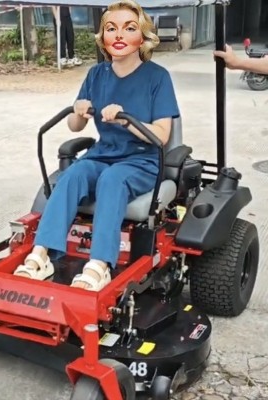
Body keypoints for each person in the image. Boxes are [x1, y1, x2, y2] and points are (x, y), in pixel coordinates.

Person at [14, 0, 180, 291]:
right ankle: (40, 255)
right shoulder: (96, 74)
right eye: (111, 29)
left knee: (112, 180)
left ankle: (100, 264)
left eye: (129, 28)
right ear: (103, 37)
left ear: (142, 36)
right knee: (73, 175)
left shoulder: (157, 77)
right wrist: (79, 112)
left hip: (142, 161)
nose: (119, 35)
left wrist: (126, 120)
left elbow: (162, 136)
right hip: (103, 154)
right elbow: (75, 126)